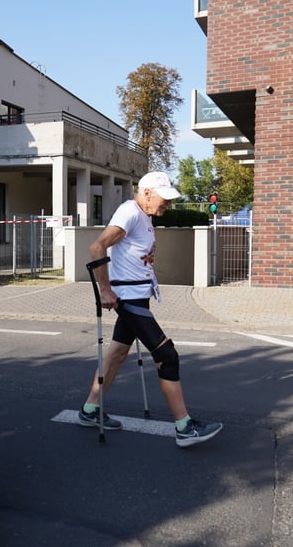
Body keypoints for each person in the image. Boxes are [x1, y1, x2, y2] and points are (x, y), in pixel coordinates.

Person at [79, 171, 224, 448]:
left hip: (138, 297)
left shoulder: (144, 216)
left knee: (117, 354)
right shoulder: (130, 212)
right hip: (128, 300)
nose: (168, 204)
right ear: (146, 193)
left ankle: (90, 410)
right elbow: (97, 247)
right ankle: (184, 428)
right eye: (164, 198)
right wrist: (105, 290)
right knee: (167, 356)